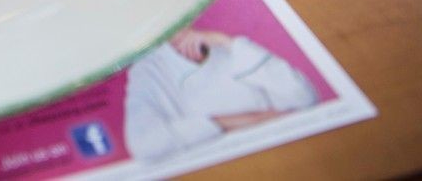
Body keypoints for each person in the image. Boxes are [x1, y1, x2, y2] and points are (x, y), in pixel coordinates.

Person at [124, 28, 319, 162]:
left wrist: (226, 42)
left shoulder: (223, 48)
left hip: (283, 155)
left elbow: (303, 96)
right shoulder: (147, 71)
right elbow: (144, 145)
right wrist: (244, 120)